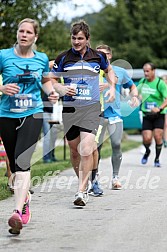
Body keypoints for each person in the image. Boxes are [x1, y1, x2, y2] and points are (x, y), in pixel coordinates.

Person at [48, 20, 117, 206]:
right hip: (70, 109)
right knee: (74, 150)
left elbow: (109, 70)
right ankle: (83, 181)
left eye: (80, 38)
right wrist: (60, 88)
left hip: (92, 108)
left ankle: (81, 190)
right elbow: (52, 79)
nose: (76, 42)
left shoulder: (98, 56)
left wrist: (111, 86)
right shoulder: (63, 58)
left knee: (86, 148)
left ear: (87, 39)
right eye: (73, 38)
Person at [0, 18, 58, 235]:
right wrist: (2, 87)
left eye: (28, 32)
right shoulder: (3, 55)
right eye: (20, 30)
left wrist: (51, 91)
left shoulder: (41, 58)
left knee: (22, 160)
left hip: (33, 113)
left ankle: (16, 211)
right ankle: (24, 201)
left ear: (35, 36)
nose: (23, 34)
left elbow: (44, 80)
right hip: (6, 114)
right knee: (14, 167)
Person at [88, 44, 139, 196]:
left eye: (103, 54)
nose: (100, 56)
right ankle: (94, 177)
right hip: (96, 114)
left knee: (116, 144)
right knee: (95, 148)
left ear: (109, 55)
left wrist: (134, 96)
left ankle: (115, 177)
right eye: (97, 53)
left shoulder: (119, 71)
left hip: (114, 113)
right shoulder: (92, 71)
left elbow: (132, 86)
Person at [138, 63, 167, 167]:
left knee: (158, 137)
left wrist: (159, 108)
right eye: (144, 71)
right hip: (147, 114)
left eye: (147, 71)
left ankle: (157, 159)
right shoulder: (142, 81)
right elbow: (136, 93)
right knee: (146, 138)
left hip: (159, 114)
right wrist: (135, 97)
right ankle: (147, 151)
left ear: (153, 71)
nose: (145, 73)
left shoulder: (160, 83)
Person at [42, 61, 58, 163]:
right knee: (47, 134)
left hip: (55, 111)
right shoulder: (45, 81)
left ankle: (52, 155)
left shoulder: (58, 82)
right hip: (45, 110)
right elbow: (47, 64)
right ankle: (46, 157)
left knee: (54, 134)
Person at [161, 75, 167, 147]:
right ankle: (164, 140)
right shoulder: (161, 87)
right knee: (165, 125)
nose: (163, 81)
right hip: (163, 108)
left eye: (165, 79)